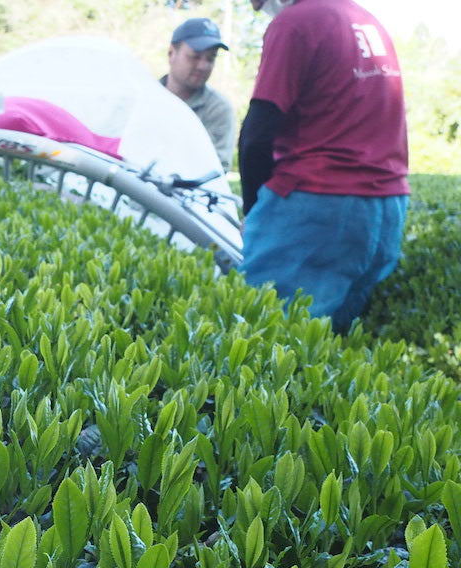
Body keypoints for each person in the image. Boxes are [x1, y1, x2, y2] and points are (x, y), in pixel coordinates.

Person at [238, 0, 408, 333]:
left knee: (265, 339)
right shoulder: (366, 20)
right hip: (386, 208)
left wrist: (253, 211)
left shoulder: (294, 23)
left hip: (316, 207)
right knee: (328, 351)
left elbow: (255, 138)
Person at [161, 18, 235, 170]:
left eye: (211, 58)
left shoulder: (218, 109)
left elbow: (215, 170)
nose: (203, 66)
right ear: (171, 53)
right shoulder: (144, 97)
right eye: (195, 56)